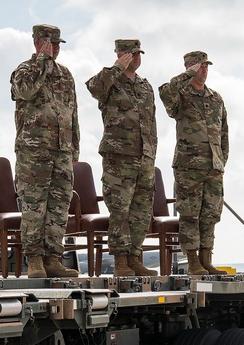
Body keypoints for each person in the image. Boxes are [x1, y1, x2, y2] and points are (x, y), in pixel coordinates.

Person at [10, 24, 80, 278]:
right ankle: (35, 259)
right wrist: (42, 60)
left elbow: (72, 114)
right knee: (34, 206)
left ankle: (53, 258)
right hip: (34, 152)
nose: (56, 48)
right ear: (38, 42)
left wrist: (74, 151)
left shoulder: (66, 75)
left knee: (59, 207)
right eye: (52, 43)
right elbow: (26, 90)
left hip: (62, 151)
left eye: (59, 44)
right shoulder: (24, 70)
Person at [86, 38, 158, 277]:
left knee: (141, 211)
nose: (135, 58)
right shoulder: (110, 81)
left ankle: (134, 257)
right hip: (119, 156)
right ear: (119, 54)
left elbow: (151, 123)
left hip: (144, 157)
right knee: (120, 210)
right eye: (130, 53)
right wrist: (116, 67)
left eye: (139, 54)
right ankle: (120, 261)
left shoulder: (145, 86)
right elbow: (94, 88)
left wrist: (151, 152)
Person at [158, 50, 229, 275]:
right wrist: (185, 76)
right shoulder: (180, 95)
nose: (204, 70)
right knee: (190, 215)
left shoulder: (215, 98)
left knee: (211, 215)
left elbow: (224, 133)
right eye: (199, 67)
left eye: (206, 66)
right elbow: (165, 95)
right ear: (189, 68)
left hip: (213, 167)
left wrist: (221, 159)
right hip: (188, 166)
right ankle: (192, 262)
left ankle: (206, 258)